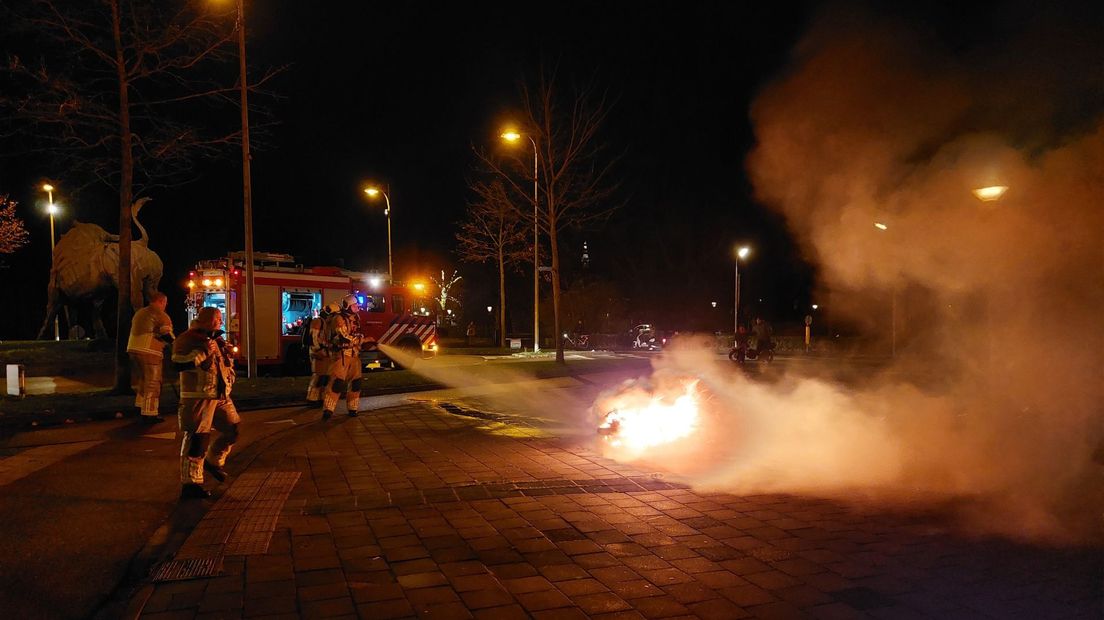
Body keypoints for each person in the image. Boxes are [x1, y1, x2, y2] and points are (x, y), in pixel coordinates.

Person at [172, 307, 239, 500]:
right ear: (205, 320)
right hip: (197, 397)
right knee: (196, 441)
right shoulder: (187, 339)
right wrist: (202, 353)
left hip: (219, 396)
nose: (220, 321)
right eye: (217, 318)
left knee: (233, 428)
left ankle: (213, 461)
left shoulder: (216, 340)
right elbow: (177, 363)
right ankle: (190, 484)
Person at [127, 291, 174, 423]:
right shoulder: (160, 314)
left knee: (143, 379)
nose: (165, 305)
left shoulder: (140, 312)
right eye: (165, 303)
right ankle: (150, 413)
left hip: (133, 349)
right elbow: (166, 333)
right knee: (153, 383)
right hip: (150, 351)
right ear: (161, 301)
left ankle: (140, 406)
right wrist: (175, 344)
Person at [321, 294, 363, 420]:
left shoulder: (355, 318)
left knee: (356, 383)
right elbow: (343, 335)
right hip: (341, 355)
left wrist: (360, 339)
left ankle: (353, 408)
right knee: (337, 383)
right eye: (355, 305)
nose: (358, 307)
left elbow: (356, 333)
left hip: (354, 355)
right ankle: (328, 410)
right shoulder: (338, 319)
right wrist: (360, 339)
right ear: (348, 306)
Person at [305, 303, 337, 406]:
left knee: (325, 377)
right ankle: (312, 399)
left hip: (325, 353)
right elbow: (313, 338)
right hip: (318, 353)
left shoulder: (325, 323)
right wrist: (319, 350)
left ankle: (320, 398)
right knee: (318, 377)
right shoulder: (318, 322)